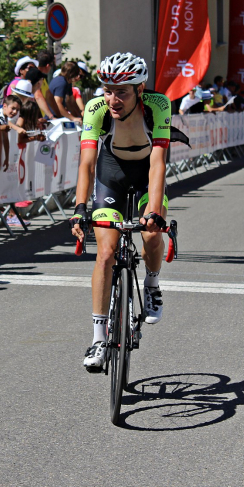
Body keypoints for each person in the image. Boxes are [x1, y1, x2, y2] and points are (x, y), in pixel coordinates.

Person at [70, 52, 171, 372]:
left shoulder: (158, 104)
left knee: (152, 234)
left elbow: (158, 163)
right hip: (110, 175)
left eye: (121, 91)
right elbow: (86, 163)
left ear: (140, 90)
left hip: (145, 175)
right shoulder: (96, 107)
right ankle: (99, 338)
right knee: (105, 253)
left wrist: (154, 211)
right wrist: (79, 209)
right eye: (107, 89)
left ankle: (152, 284)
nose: (112, 99)